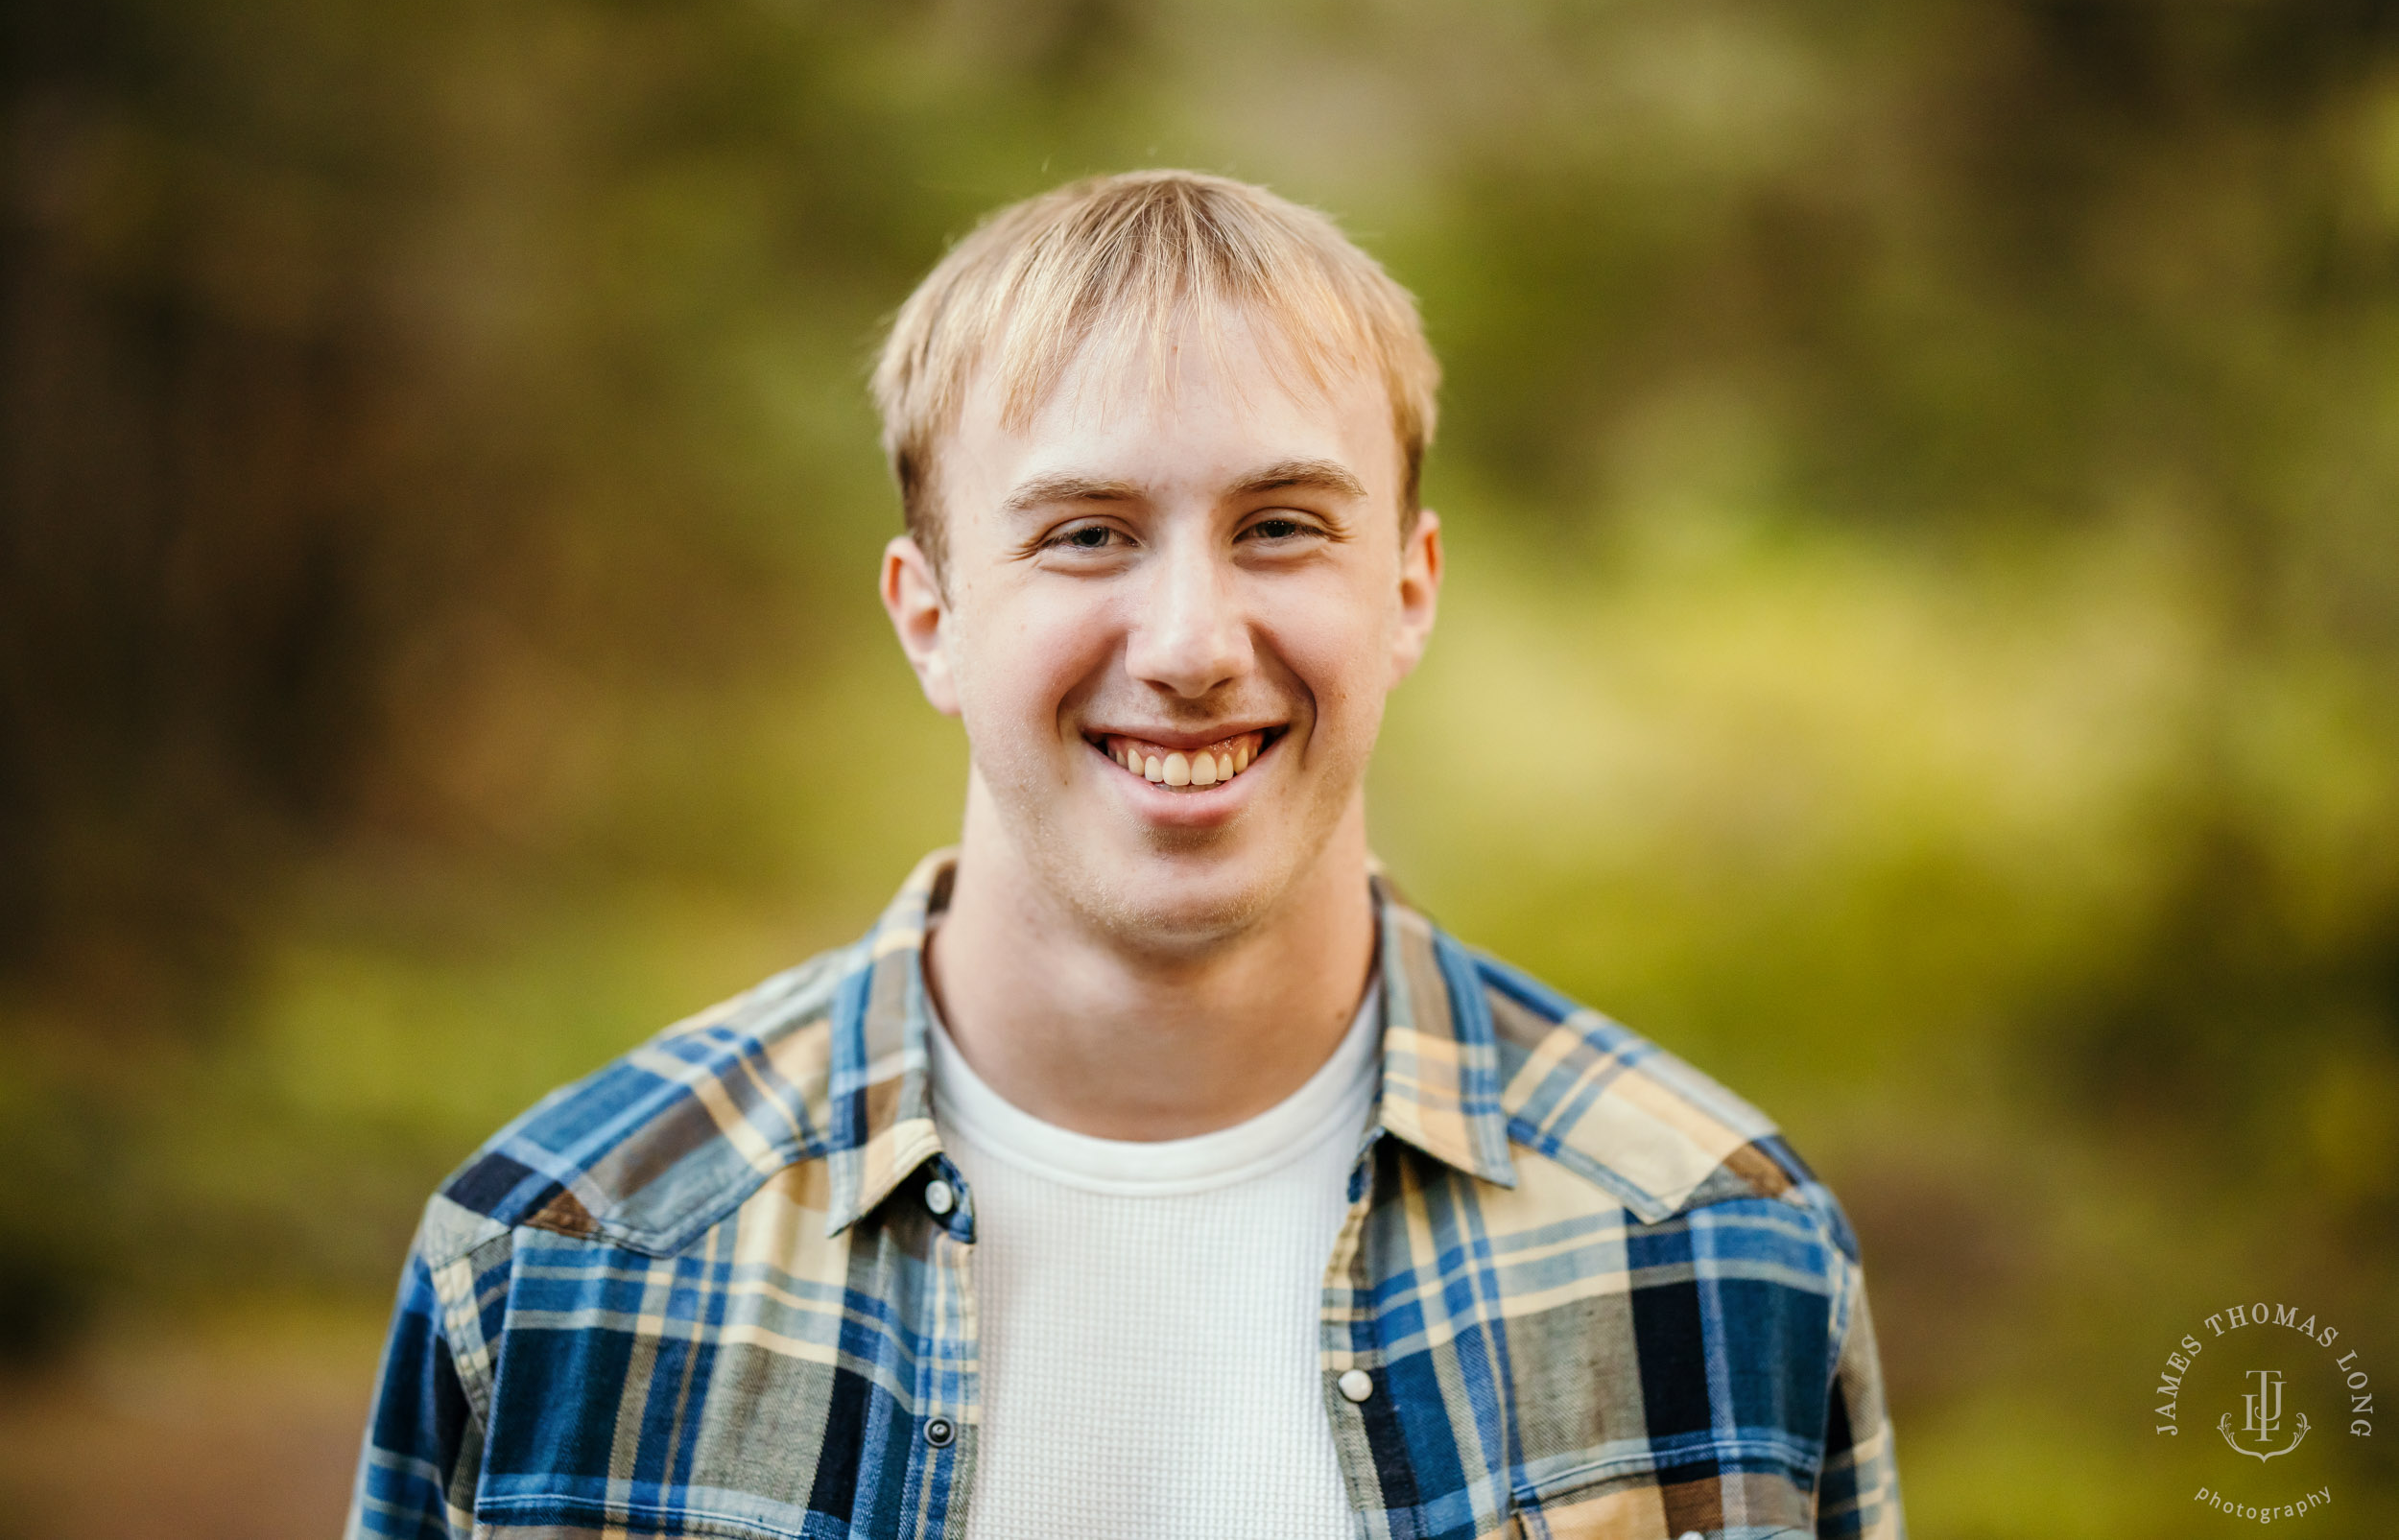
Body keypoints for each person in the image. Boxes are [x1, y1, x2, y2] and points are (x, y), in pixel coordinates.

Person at [346, 170, 1904, 1540]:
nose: (1190, 646)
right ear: (930, 614)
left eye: (1283, 526)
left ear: (1410, 591)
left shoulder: (1714, 1246)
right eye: (1085, 532)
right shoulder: (560, 1265)